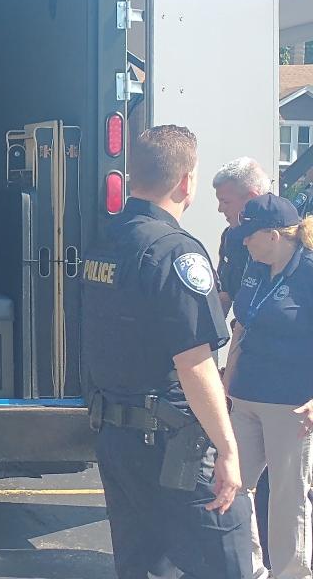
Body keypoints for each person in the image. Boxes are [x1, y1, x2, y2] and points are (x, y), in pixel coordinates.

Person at [82, 125, 252, 578]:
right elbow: (195, 363)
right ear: (186, 181)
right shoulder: (175, 251)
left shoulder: (107, 242)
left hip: (117, 437)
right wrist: (227, 448)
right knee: (227, 558)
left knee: (143, 566)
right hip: (171, 445)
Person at [225, 193, 313, 579]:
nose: (243, 241)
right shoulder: (256, 267)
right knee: (232, 486)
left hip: (291, 403)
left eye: (250, 235)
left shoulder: (309, 272)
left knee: (287, 496)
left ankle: (292, 574)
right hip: (246, 396)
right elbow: (241, 325)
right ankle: (251, 570)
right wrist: (226, 383)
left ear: (275, 235)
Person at [214, 158, 270, 316]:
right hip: (242, 335)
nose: (220, 209)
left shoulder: (289, 239)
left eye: (225, 202)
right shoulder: (230, 236)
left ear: (251, 199)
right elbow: (225, 294)